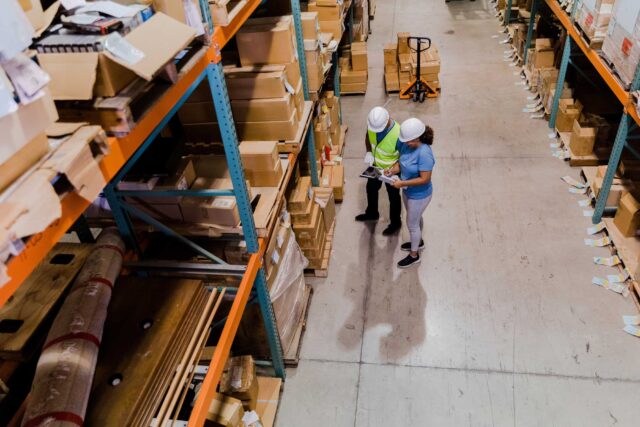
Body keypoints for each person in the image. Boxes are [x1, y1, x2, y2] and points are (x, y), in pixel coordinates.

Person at [384, 118, 435, 268]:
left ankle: (414, 255)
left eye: (409, 141)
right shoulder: (407, 144)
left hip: (420, 195)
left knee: (411, 224)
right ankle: (418, 242)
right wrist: (393, 169)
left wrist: (402, 183)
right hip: (407, 191)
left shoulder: (424, 153)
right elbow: (402, 162)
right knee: (415, 219)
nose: (406, 144)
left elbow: (425, 179)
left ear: (418, 138)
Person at [354, 107, 402, 236]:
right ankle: (372, 213)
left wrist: (394, 169)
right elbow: (368, 137)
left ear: (387, 120)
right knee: (371, 189)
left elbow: (404, 156)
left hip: (391, 170)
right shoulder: (373, 125)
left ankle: (396, 222)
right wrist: (369, 151)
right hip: (375, 165)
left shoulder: (398, 133)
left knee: (394, 197)